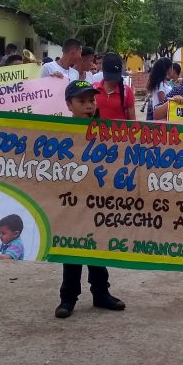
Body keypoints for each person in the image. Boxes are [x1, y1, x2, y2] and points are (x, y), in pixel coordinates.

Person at [55, 80, 126, 317]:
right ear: (69, 104)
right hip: (71, 201)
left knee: (97, 247)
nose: (88, 105)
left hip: (98, 200)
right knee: (72, 250)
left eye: (91, 100)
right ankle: (68, 298)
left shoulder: (107, 132)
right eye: (81, 101)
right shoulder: (60, 131)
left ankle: (101, 293)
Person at [93, 53, 135, 120]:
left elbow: (132, 121)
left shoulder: (127, 92)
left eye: (114, 77)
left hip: (120, 129)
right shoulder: (94, 89)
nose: (112, 81)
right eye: (109, 77)